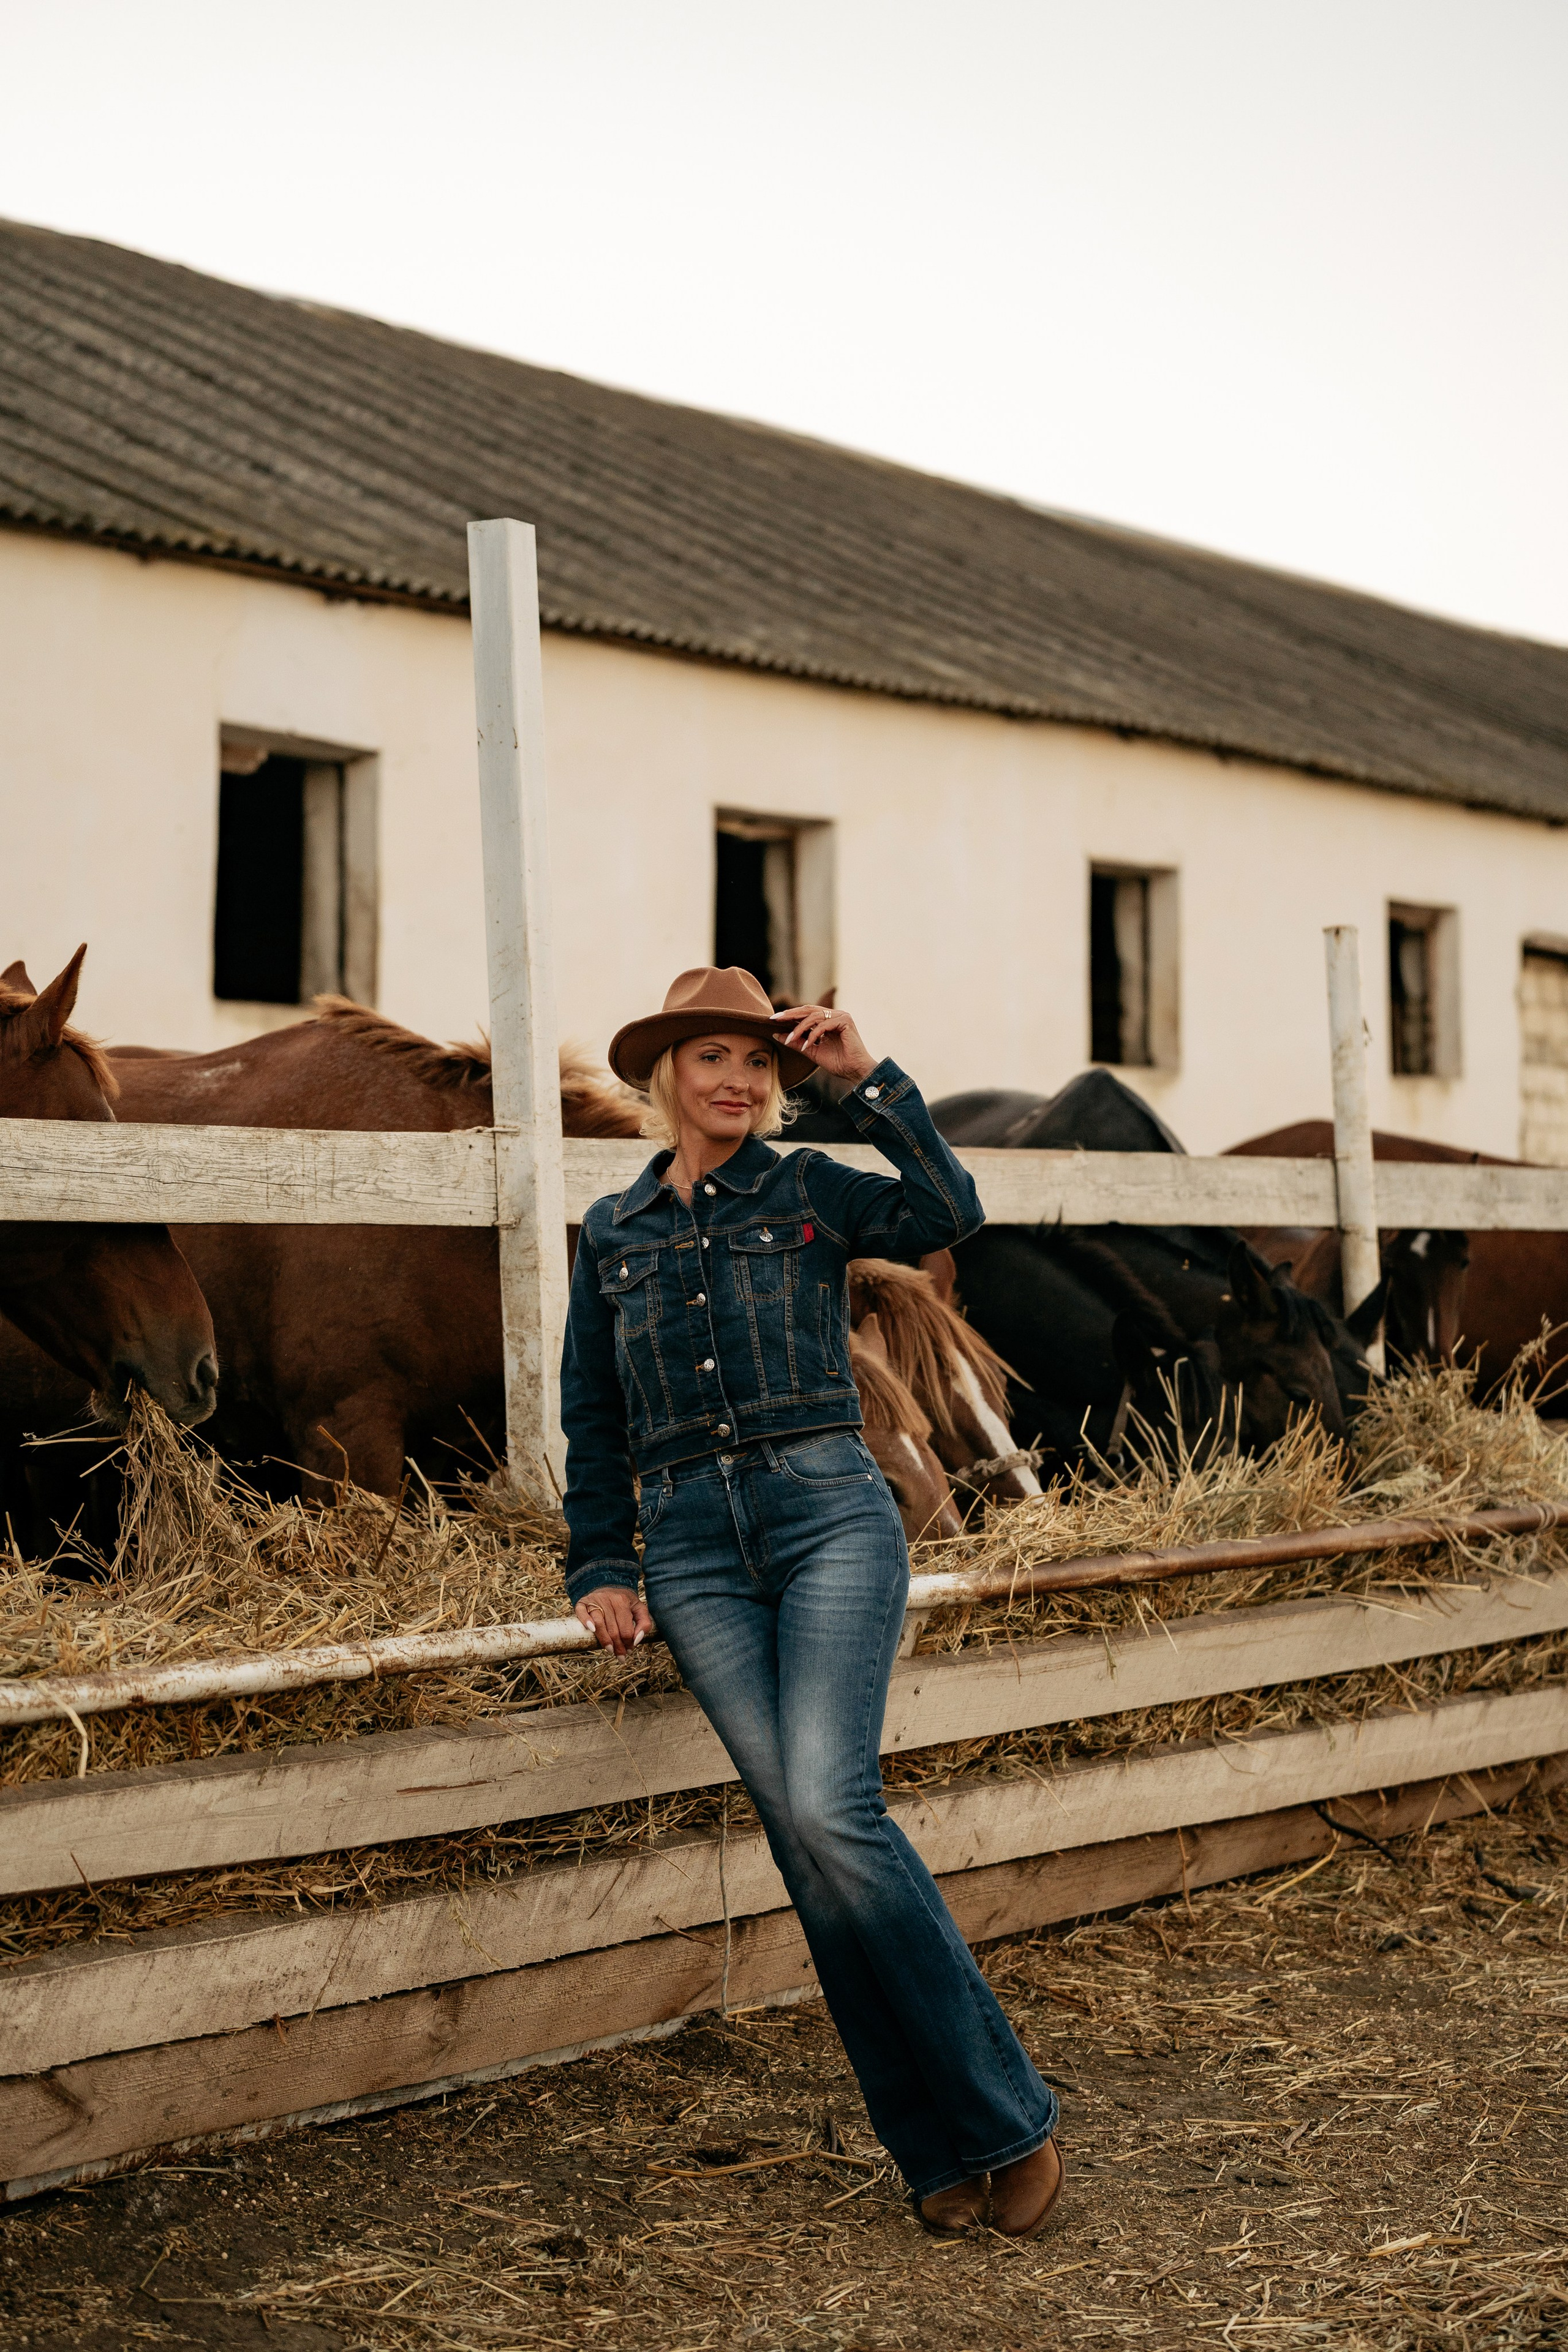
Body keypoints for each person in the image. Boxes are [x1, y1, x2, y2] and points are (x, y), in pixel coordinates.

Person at [560, 965, 1065, 2239]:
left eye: (757, 1063)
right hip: (687, 1545)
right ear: (664, 1075)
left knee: (834, 1813)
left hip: (826, 1510)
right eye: (710, 1058)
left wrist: (860, 1083)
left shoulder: (810, 1188)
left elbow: (950, 1209)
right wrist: (600, 1562)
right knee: (802, 1839)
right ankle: (932, 2145)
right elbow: (595, 1415)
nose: (735, 1080)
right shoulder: (611, 1233)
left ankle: (1002, 2117)